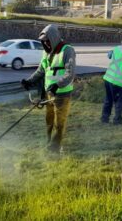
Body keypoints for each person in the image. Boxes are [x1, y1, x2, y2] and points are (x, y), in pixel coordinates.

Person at [21, 24, 76, 153]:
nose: (46, 45)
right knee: (49, 120)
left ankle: (55, 147)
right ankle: (49, 141)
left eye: (48, 42)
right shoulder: (46, 53)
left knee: (59, 122)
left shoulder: (67, 50)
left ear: (54, 38)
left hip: (62, 94)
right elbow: (41, 70)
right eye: (44, 43)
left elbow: (70, 73)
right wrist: (29, 81)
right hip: (49, 93)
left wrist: (58, 85)